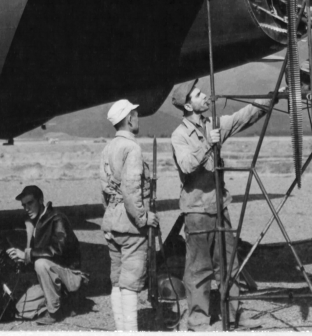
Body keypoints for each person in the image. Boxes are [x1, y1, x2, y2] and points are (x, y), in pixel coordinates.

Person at [170, 79, 269, 331]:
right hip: (197, 212)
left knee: (229, 265)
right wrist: (208, 144)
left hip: (219, 208)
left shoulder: (212, 125)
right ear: (188, 105)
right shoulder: (179, 135)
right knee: (198, 270)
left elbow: (242, 117)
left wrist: (272, 97)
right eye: (199, 94)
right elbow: (186, 166)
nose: (206, 96)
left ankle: (234, 315)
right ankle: (198, 320)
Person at [100, 99, 159, 332]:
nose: (138, 118)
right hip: (132, 225)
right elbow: (131, 190)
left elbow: (104, 190)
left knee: (117, 280)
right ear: (129, 119)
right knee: (131, 284)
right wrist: (144, 219)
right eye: (136, 114)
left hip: (112, 221)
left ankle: (120, 329)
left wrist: (112, 214)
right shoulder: (131, 148)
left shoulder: (108, 148)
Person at [7, 185, 85, 324]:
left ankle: (54, 311)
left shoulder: (57, 218)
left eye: (30, 203)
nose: (27, 208)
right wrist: (19, 258)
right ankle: (64, 301)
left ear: (41, 200)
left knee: (40, 263)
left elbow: (58, 250)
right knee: (21, 309)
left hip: (70, 275)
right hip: (51, 277)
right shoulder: (32, 223)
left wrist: (27, 254)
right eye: (24, 205)